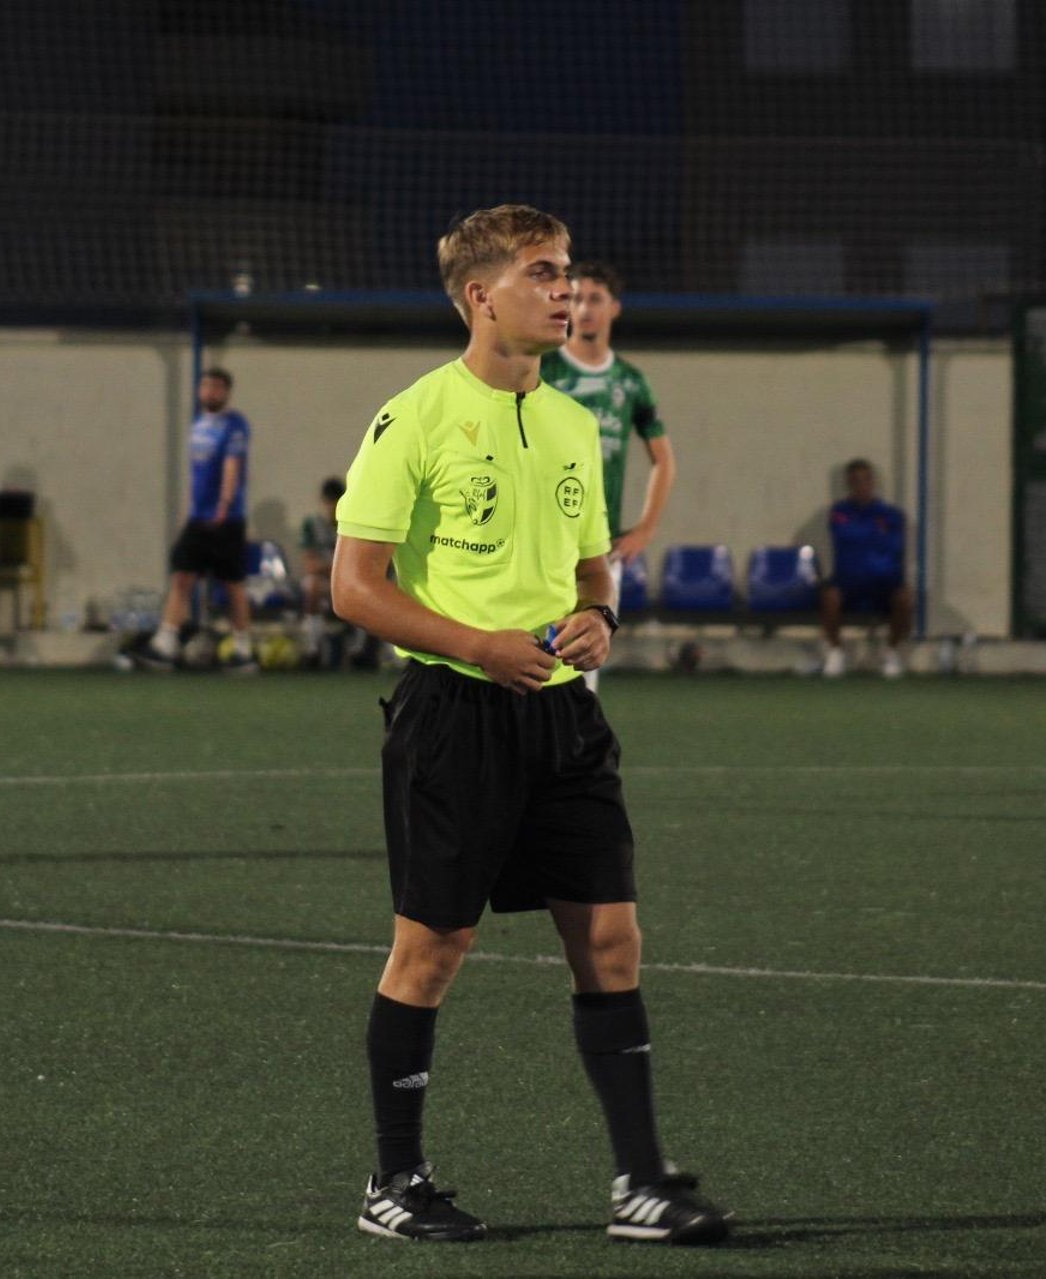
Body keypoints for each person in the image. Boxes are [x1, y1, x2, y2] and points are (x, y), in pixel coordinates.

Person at [331, 204, 729, 1246]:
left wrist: (599, 612)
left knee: (610, 934)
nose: (567, 292)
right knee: (432, 947)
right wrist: (476, 645)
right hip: (454, 714)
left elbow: (592, 557)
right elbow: (354, 589)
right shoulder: (411, 417)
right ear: (481, 295)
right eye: (545, 274)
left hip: (564, 715)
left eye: (566, 275)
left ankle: (641, 1183)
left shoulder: (568, 421)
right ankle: (395, 1183)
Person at [541, 262, 675, 691]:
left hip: (601, 543)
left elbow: (664, 460)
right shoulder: (545, 370)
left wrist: (645, 529)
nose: (583, 309)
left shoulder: (630, 382)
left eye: (594, 299)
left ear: (614, 308)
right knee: (534, 651)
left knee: (585, 662)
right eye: (575, 298)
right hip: (541, 536)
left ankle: (577, 748)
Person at [135, 367, 256, 675]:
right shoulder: (198, 425)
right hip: (197, 519)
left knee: (232, 583)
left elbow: (232, 466)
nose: (211, 392)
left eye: (217, 387)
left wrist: (224, 505)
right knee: (182, 576)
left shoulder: (235, 425)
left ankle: (243, 648)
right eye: (206, 386)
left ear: (226, 392)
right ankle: (166, 642)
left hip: (225, 520)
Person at [820, 458, 913, 678]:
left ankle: (891, 652)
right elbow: (844, 534)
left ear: (873, 482)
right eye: (855, 480)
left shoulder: (892, 514)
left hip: (883, 583)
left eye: (866, 480)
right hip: (849, 583)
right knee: (829, 596)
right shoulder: (839, 511)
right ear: (849, 484)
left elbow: (893, 544)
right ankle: (836, 651)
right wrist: (875, 532)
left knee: (905, 598)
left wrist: (863, 533)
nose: (861, 485)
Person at [298, 476, 341, 666]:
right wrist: (335, 568)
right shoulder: (312, 524)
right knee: (312, 585)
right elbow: (310, 566)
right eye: (329, 502)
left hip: (347, 581)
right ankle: (312, 646)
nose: (332, 507)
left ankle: (364, 648)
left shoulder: (350, 523)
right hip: (326, 580)